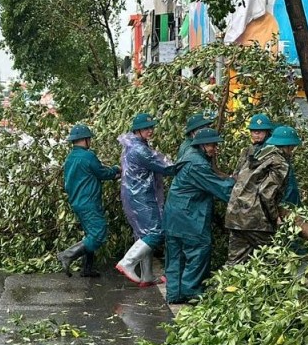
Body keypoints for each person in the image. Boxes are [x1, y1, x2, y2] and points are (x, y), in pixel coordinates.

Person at [163, 127, 235, 304]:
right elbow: (222, 189)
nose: (215, 149)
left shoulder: (189, 156)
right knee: (199, 250)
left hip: (173, 217)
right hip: (189, 217)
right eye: (212, 145)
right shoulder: (198, 165)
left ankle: (174, 294)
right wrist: (238, 182)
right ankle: (192, 291)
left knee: (175, 256)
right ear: (202, 145)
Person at [116, 113, 180, 287]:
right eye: (146, 128)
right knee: (156, 232)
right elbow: (165, 167)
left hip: (136, 195)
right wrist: (185, 164)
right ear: (137, 130)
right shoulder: (140, 150)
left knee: (143, 235)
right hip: (142, 197)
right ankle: (128, 262)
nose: (150, 131)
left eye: (151, 127)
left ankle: (147, 276)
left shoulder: (134, 145)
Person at [224, 125, 301, 265]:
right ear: (288, 146)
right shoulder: (279, 162)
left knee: (235, 263)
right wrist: (274, 217)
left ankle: (224, 287)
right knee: (275, 259)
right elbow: (266, 193)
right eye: (293, 148)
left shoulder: (257, 155)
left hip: (235, 216)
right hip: (255, 219)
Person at [58, 124, 120, 278]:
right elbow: (101, 172)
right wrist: (116, 170)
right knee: (98, 234)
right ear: (85, 139)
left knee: (90, 234)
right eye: (89, 138)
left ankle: (87, 269)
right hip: (89, 202)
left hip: (77, 202)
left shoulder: (70, 158)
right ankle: (67, 255)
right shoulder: (88, 156)